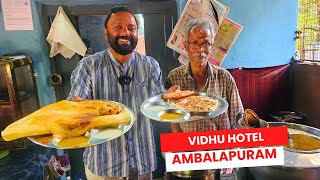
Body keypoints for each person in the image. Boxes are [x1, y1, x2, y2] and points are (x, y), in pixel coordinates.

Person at [68, 6, 164, 179]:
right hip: (103, 162)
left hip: (143, 161)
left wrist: (169, 100)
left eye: (131, 28)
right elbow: (77, 104)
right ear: (106, 33)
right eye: (118, 27)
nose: (125, 32)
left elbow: (158, 105)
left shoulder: (150, 65)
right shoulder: (88, 66)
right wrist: (75, 107)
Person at [165, 18, 244, 133]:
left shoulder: (225, 77)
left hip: (221, 147)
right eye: (195, 43)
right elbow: (172, 119)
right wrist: (181, 146)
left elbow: (238, 119)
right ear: (186, 46)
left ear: (211, 47)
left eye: (206, 43)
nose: (201, 49)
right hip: (189, 148)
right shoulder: (174, 77)